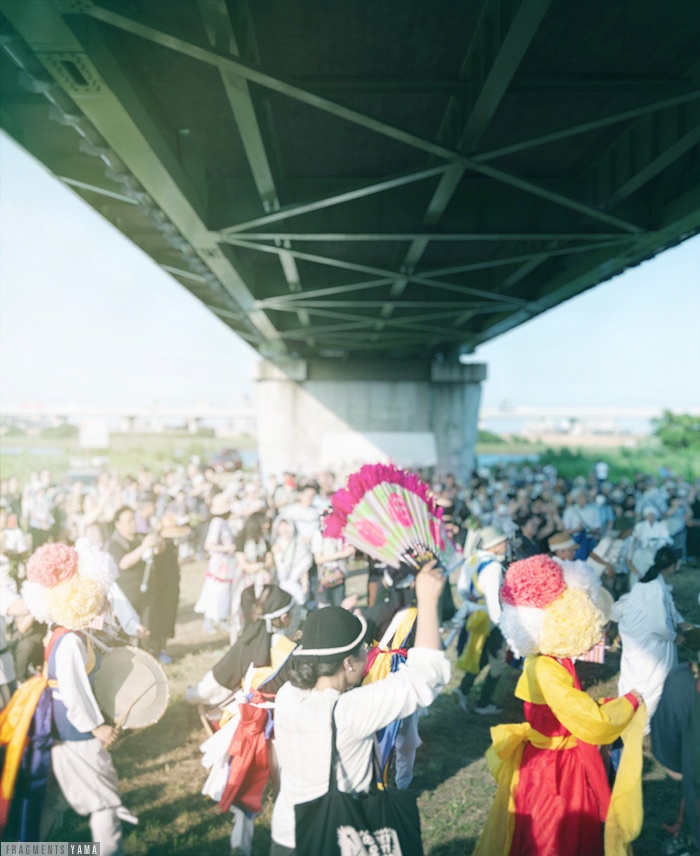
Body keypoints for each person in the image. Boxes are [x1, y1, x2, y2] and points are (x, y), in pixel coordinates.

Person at [270, 561, 449, 855]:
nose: (368, 652)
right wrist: (428, 601)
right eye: (363, 648)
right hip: (335, 838)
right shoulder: (350, 711)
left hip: (286, 833)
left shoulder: (287, 695)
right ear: (348, 663)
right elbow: (428, 675)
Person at [475, 555, 646, 856]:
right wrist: (627, 704)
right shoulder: (546, 668)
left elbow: (568, 707)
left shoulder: (548, 660)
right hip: (555, 768)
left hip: (550, 759)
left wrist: (605, 704)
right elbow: (589, 719)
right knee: (555, 833)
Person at [611, 545, 692, 726]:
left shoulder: (649, 581)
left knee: (637, 677)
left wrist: (680, 622)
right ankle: (645, 720)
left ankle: (629, 713)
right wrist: (675, 637)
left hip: (637, 639)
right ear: (673, 566)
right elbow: (658, 626)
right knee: (654, 679)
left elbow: (667, 606)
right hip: (648, 642)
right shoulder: (656, 587)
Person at [453, 525, 508, 715]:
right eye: (503, 542)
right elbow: (493, 601)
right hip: (489, 619)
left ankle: (463, 688)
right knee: (497, 659)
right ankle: (484, 702)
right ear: (494, 545)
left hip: (473, 614)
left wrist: (471, 602)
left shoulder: (472, 559)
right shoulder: (494, 567)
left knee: (478, 654)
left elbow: (461, 589)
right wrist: (502, 624)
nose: (506, 544)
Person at [194, 494, 238, 635]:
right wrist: (226, 548)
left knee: (225, 592)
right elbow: (209, 545)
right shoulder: (217, 523)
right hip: (219, 563)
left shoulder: (224, 522)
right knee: (216, 591)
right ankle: (209, 620)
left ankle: (222, 617)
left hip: (228, 563)